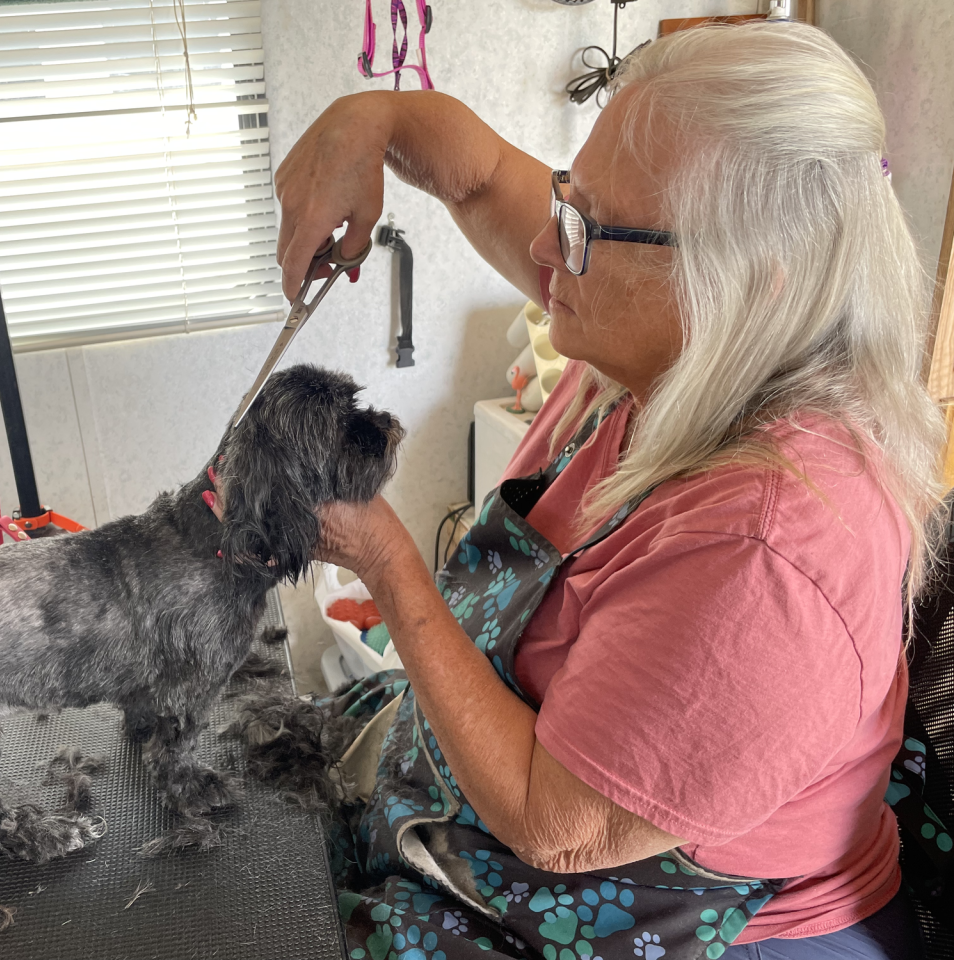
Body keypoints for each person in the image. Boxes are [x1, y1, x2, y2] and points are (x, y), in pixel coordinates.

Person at [211, 21, 944, 959]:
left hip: (665, 914)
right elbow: (475, 176)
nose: (546, 250)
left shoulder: (769, 557)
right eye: (569, 199)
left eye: (586, 231)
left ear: (743, 288)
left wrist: (385, 561)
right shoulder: (675, 345)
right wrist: (369, 120)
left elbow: (555, 825)